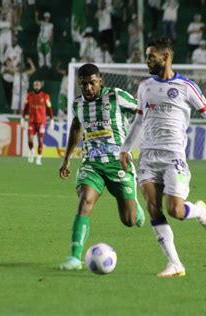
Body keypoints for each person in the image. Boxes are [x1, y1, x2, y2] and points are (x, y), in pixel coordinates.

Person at [119, 38, 206, 278]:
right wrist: (125, 148)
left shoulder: (186, 86)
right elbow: (139, 120)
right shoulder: (144, 87)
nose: (147, 61)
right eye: (146, 56)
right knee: (153, 208)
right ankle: (175, 264)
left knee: (176, 210)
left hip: (174, 156)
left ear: (166, 57)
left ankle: (200, 211)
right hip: (148, 156)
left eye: (151, 56)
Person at [59, 63, 146, 271]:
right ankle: (74, 257)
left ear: (100, 81)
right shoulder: (78, 104)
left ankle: (133, 199)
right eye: (83, 84)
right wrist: (67, 158)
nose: (87, 88)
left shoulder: (116, 97)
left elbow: (142, 110)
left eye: (91, 83)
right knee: (85, 200)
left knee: (129, 220)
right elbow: (76, 128)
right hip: (92, 164)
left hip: (118, 163)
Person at [20, 80, 54, 165]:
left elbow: (49, 108)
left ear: (41, 86)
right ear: (33, 86)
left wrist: (52, 120)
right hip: (31, 121)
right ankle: (32, 150)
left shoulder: (45, 96)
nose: (36, 87)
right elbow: (25, 108)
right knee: (30, 139)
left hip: (41, 122)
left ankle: (39, 157)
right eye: (35, 85)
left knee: (40, 140)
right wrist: (22, 118)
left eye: (38, 85)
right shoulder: (29, 96)